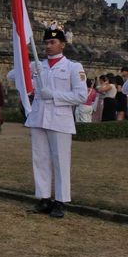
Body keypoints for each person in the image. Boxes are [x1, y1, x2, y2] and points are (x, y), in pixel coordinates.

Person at [26, 24, 87, 219]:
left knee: (60, 161)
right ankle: (44, 198)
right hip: (38, 118)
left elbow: (80, 95)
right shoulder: (38, 65)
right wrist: (25, 67)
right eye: (46, 42)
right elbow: (14, 76)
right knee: (40, 159)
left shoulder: (73, 67)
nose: (48, 46)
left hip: (59, 120)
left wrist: (54, 95)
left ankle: (60, 201)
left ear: (63, 45)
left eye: (53, 42)